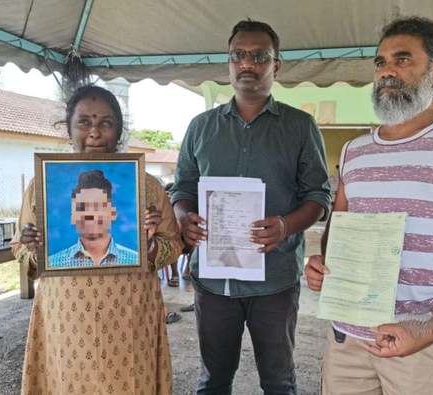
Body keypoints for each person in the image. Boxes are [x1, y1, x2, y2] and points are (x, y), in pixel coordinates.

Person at [305, 17, 433, 394]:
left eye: (402, 59)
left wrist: (430, 329)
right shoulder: (355, 151)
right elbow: (341, 227)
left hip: (430, 350)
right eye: (381, 62)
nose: (387, 71)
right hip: (349, 341)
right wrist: (326, 266)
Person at [170, 19, 330, 394]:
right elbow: (183, 188)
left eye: (259, 56)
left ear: (276, 65)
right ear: (228, 63)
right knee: (213, 380)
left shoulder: (300, 127)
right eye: (238, 56)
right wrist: (183, 218)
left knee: (278, 381)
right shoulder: (200, 127)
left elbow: (319, 198)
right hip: (214, 280)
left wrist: (286, 225)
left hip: (274, 279)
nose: (247, 64)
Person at [12, 85, 183, 395]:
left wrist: (150, 245)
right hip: (65, 319)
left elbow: (174, 248)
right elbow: (19, 249)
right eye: (84, 122)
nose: (95, 133)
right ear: (69, 128)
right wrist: (33, 249)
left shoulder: (147, 186)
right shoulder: (43, 184)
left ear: (118, 131)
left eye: (106, 123)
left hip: (130, 319)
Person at [48, 170, 138, 268]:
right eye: (82, 208)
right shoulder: (52, 264)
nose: (90, 215)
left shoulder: (135, 261)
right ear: (72, 216)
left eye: (97, 207)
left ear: (113, 213)